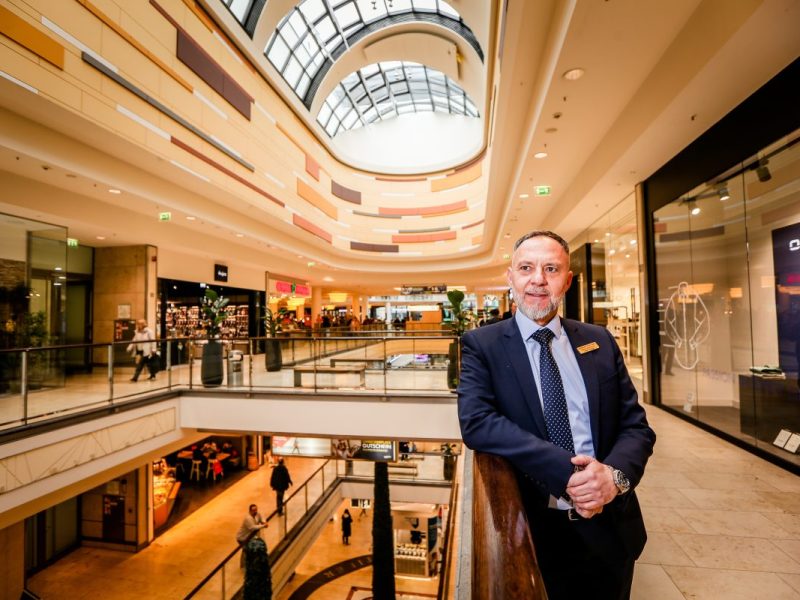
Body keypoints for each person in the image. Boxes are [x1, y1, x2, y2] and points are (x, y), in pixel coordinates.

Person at [457, 230, 656, 600]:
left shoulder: (599, 340)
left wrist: (612, 479)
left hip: (610, 527)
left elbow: (636, 426)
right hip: (534, 530)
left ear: (567, 280)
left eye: (551, 269)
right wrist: (571, 473)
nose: (538, 279)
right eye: (526, 268)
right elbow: (478, 423)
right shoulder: (482, 345)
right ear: (510, 277)